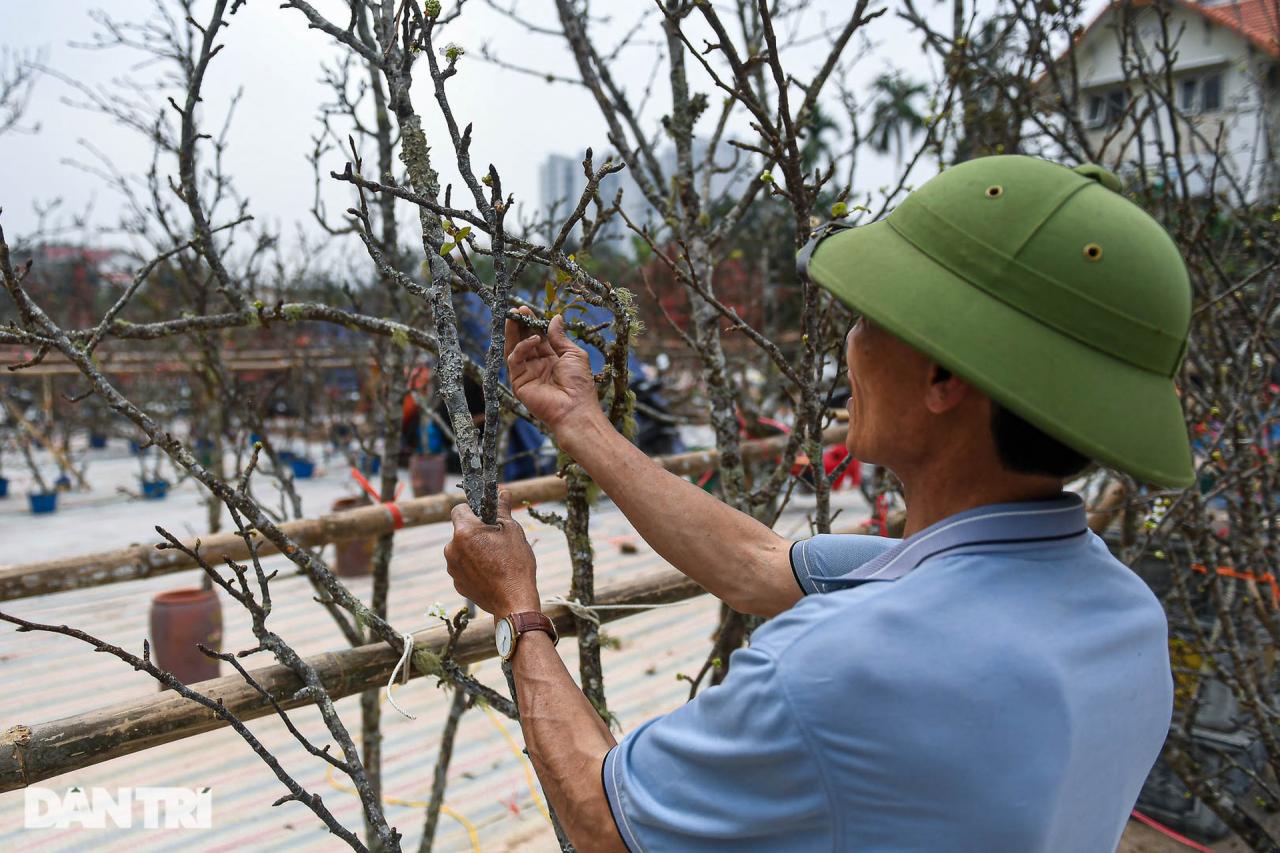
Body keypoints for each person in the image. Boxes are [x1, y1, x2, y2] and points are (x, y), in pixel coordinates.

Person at [444, 156, 1194, 852]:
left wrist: (517, 609)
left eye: (868, 321)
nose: (852, 346)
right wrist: (580, 422)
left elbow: (606, 821)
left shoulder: (836, 670)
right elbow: (755, 561)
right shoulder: (1126, 617)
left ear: (942, 377)